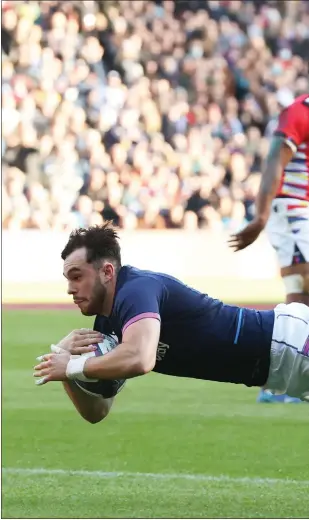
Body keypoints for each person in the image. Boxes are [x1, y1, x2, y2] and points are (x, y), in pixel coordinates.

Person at [33, 223, 309, 423]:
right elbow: (97, 411)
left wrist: (73, 365)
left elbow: (141, 359)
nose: (70, 288)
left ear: (107, 271)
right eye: (67, 279)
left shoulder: (136, 290)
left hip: (292, 340)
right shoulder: (107, 325)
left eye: (77, 276)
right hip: (285, 372)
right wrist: (64, 364)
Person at [229, 93, 309, 403]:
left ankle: (282, 384)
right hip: (293, 210)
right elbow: (275, 160)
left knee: (299, 300)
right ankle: (282, 384)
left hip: (299, 211)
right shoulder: (300, 112)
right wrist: (260, 217)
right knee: (301, 295)